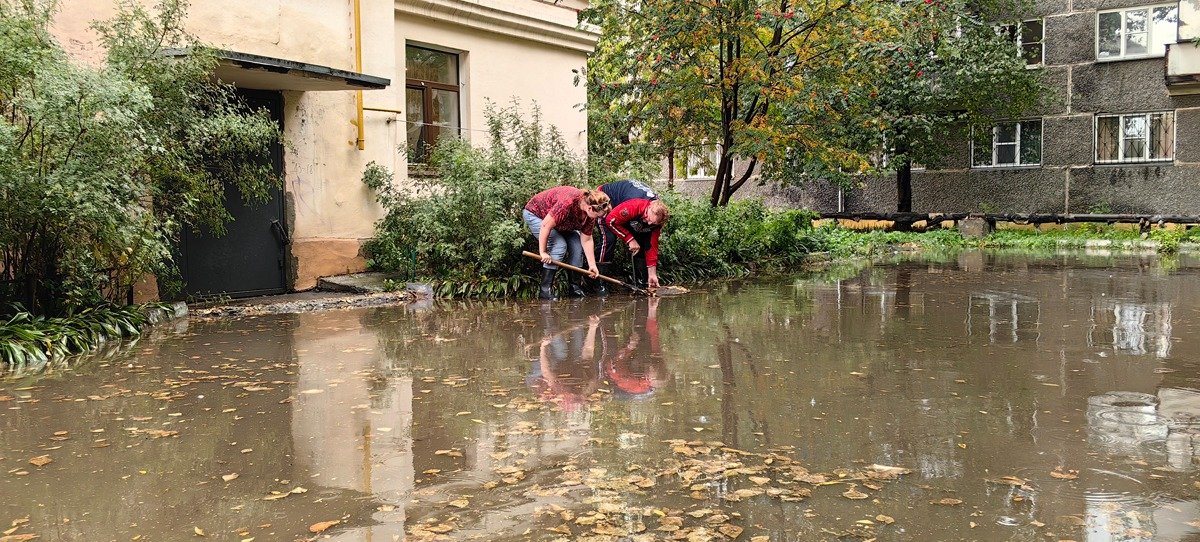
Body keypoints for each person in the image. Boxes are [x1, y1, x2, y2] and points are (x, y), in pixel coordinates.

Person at [523, 186, 611, 300]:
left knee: (577, 246)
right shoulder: (567, 202)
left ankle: (574, 288)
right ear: (590, 208)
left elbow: (587, 239)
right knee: (559, 245)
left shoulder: (590, 214)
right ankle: (545, 290)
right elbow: (545, 226)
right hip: (537, 215)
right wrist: (543, 252)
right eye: (599, 216)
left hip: (562, 224)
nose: (600, 218)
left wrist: (592, 265)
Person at [596, 180, 670, 292]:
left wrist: (652, 273)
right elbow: (610, 221)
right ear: (648, 208)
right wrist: (630, 239)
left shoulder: (655, 221)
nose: (648, 223)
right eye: (647, 218)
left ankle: (644, 281)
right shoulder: (634, 205)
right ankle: (599, 282)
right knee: (609, 239)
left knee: (642, 238)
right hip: (605, 200)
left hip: (627, 210)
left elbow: (651, 245)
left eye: (652, 223)